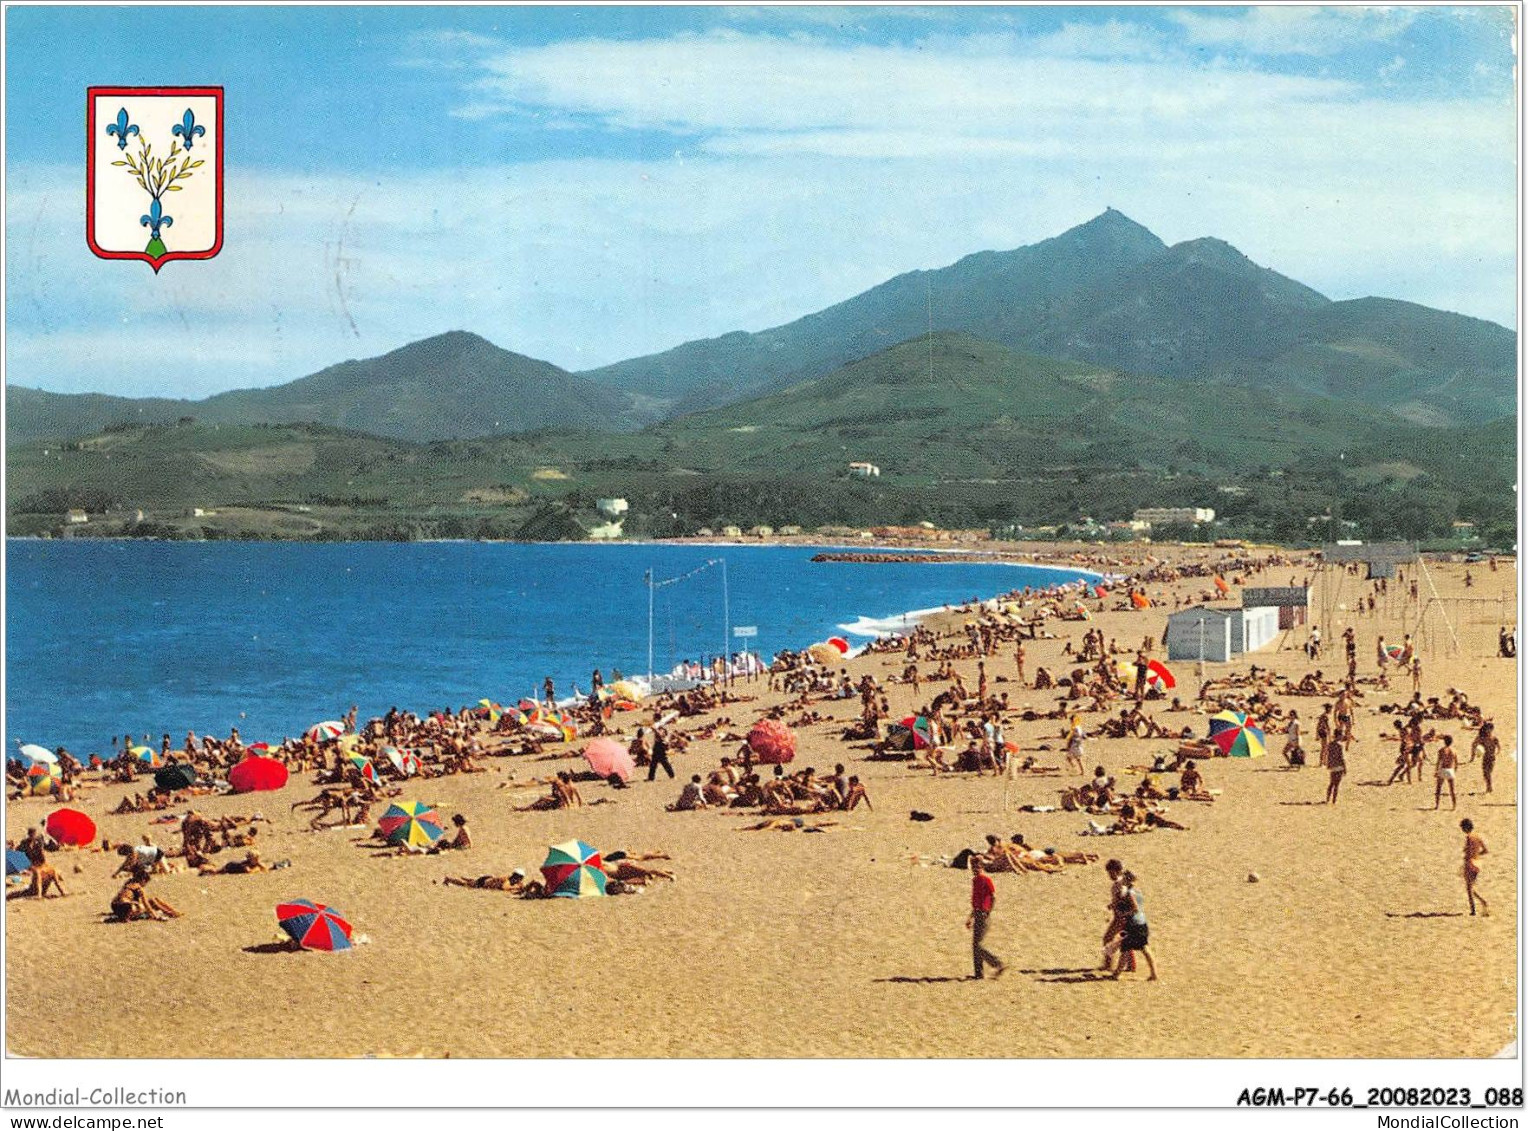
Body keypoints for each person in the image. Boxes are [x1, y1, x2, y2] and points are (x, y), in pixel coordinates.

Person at [1112, 870, 1157, 981]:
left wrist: (1123, 913)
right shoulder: (1138, 891)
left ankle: (1117, 973)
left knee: (1125, 948)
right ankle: (1154, 973)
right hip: (1142, 922)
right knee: (1144, 947)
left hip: (1132, 924)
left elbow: (1135, 908)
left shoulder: (1129, 893)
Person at [966, 857, 1005, 980]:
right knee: (975, 945)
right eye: (973, 867)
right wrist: (970, 916)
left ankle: (997, 963)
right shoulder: (975, 880)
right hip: (977, 913)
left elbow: (993, 896)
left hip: (983, 914)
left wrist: (988, 911)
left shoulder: (986, 879)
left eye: (976, 866)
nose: (974, 869)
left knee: (978, 945)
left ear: (981, 866)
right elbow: (976, 901)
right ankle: (979, 974)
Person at [1461, 819, 1489, 917]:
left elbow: (1468, 852)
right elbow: (1485, 850)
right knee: (1472, 886)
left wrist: (1466, 858)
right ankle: (1481, 903)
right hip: (1477, 863)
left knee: (1469, 888)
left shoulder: (1469, 837)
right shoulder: (1478, 836)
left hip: (1470, 863)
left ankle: (1474, 909)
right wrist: (1477, 854)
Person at [1433, 735, 1458, 811]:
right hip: (1450, 770)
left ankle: (1437, 805)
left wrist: (1436, 771)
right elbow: (1456, 763)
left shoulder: (1441, 750)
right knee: (1452, 790)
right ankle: (1454, 806)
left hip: (1443, 769)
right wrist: (1455, 770)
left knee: (1438, 789)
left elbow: (1439, 762)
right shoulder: (1454, 751)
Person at [1324, 738, 1345, 804]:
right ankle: (1334, 800)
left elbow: (1327, 755)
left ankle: (1327, 799)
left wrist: (1328, 764)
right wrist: (1345, 768)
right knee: (1336, 785)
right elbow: (1341, 757)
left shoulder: (1330, 744)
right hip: (1339, 766)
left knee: (1331, 783)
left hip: (1332, 766)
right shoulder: (1339, 746)